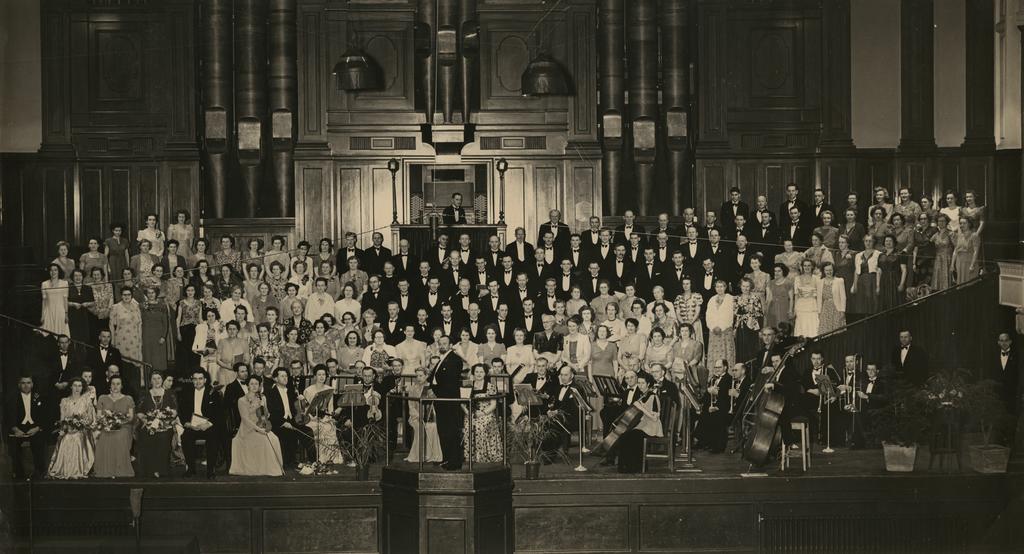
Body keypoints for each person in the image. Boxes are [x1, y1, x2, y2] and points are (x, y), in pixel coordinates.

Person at [230, 374, 285, 476]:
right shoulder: (241, 400)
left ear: (259, 385)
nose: (254, 386)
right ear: (247, 385)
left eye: (256, 384)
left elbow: (267, 414)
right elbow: (245, 419)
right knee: (264, 440)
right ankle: (264, 469)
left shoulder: (262, 397)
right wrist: (259, 430)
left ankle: (272, 468)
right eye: (252, 384)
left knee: (274, 438)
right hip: (247, 428)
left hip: (260, 424)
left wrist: (264, 407)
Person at [48, 378, 96, 479]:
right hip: (68, 430)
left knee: (77, 438)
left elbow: (91, 419)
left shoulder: (86, 401)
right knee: (66, 439)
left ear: (82, 387)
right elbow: (62, 419)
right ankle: (64, 469)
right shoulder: (64, 401)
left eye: (79, 386)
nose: (77, 388)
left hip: (82, 431)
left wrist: (80, 424)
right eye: (75, 385)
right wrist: (66, 428)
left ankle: (78, 470)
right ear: (71, 386)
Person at [430, 335, 466, 470]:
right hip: (441, 401)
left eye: (445, 343)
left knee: (451, 431)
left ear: (451, 345)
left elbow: (449, 383)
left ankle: (454, 461)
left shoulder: (454, 360)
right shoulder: (442, 359)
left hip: (448, 401)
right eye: (440, 343)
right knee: (443, 431)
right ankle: (446, 459)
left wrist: (435, 391)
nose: (442, 346)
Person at [615, 373, 663, 473]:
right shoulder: (642, 396)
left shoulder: (653, 396)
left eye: (642, 383)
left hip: (652, 427)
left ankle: (636, 467)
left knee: (634, 436)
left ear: (648, 384)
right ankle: (625, 467)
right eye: (639, 383)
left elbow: (655, 418)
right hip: (643, 425)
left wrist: (641, 408)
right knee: (624, 435)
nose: (640, 385)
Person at [179, 369, 222, 478]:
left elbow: (219, 413)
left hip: (207, 425)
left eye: (200, 379)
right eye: (195, 379)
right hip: (192, 426)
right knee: (185, 437)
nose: (198, 381)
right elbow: (182, 411)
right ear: (192, 380)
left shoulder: (213, 393)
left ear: (205, 380)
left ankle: (210, 470)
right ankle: (191, 469)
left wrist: (208, 424)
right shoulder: (186, 392)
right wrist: (187, 423)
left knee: (214, 437)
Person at [6, 376, 50, 480]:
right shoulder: (13, 398)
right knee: (14, 445)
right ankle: (19, 473)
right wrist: (15, 429)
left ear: (32, 384)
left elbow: (45, 415)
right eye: (23, 383)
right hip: (18, 428)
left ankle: (39, 471)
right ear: (19, 385)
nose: (26, 385)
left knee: (39, 442)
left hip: (34, 428)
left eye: (28, 383)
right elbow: (8, 416)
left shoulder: (39, 397)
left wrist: (37, 428)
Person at [135, 371, 177, 478]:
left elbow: (175, 411)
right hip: (148, 423)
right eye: (154, 379)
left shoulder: (170, 393)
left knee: (164, 437)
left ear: (162, 379)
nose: (156, 381)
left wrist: (166, 417)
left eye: (159, 378)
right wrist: (146, 421)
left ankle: (162, 469)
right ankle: (149, 469)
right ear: (150, 381)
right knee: (146, 434)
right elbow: (139, 411)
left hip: (165, 424)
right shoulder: (144, 394)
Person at [93, 375, 135, 478]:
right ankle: (105, 470)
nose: (115, 386)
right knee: (104, 435)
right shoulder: (102, 398)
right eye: (113, 384)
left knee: (120, 435)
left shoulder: (128, 399)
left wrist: (119, 420)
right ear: (110, 385)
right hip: (107, 426)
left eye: (118, 384)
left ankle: (120, 469)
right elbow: (98, 416)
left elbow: (130, 418)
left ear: (122, 386)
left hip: (123, 426)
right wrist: (107, 421)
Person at [463, 364, 503, 463]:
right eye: (476, 372)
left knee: (482, 426)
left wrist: (482, 413)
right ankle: (472, 457)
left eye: (481, 372)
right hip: (470, 414)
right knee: (468, 425)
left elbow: (493, 405)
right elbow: (462, 403)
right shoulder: (468, 386)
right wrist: (468, 413)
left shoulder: (491, 386)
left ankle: (485, 456)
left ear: (485, 373)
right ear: (473, 373)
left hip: (486, 414)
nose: (479, 374)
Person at [303, 365, 343, 464]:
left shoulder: (329, 389)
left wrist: (329, 417)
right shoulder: (308, 390)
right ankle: (319, 459)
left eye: (323, 374)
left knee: (329, 427)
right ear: (315, 376)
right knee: (318, 427)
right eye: (319, 374)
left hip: (325, 418)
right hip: (312, 419)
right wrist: (315, 418)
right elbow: (307, 409)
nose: (321, 377)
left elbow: (330, 408)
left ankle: (331, 458)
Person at [406, 367, 443, 463]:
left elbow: (435, 402)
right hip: (416, 416)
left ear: (426, 376)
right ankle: (419, 455)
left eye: (421, 376)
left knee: (432, 427)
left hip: (429, 415)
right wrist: (416, 415)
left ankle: (432, 455)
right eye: (417, 376)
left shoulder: (430, 387)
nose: (418, 378)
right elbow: (410, 404)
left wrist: (433, 396)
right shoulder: (412, 388)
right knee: (420, 427)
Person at [848, 235, 881, 323]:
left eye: (870, 241)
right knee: (861, 304)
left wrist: (878, 286)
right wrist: (854, 285)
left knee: (872, 303)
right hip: (861, 281)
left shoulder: (878, 254)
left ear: (874, 242)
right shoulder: (858, 255)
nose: (868, 243)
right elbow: (856, 271)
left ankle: (873, 322)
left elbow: (879, 271)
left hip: (872, 280)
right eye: (866, 241)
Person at [706, 280, 737, 368]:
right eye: (717, 287)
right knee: (714, 354)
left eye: (721, 286)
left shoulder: (731, 298)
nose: (719, 289)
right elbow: (708, 315)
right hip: (713, 332)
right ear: (715, 288)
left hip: (725, 331)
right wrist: (712, 327)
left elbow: (730, 315)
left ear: (725, 287)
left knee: (726, 353)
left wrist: (721, 327)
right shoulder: (712, 299)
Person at [733, 277, 764, 362]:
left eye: (747, 286)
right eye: (743, 286)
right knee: (740, 348)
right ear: (740, 286)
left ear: (750, 287)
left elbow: (760, 313)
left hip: (751, 327)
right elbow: (734, 313)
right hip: (739, 326)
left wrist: (749, 316)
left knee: (751, 348)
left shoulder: (755, 298)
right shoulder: (736, 298)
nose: (745, 288)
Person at [141, 287, 171, 373]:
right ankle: (148, 382)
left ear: (156, 293)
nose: (151, 295)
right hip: (146, 335)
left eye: (152, 292)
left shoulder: (162, 305)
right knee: (148, 357)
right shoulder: (142, 306)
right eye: (149, 293)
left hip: (159, 336)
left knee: (159, 359)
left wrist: (163, 336)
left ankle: (159, 379)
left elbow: (165, 323)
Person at [109, 286, 143, 362]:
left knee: (134, 362)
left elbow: (139, 324)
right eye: (124, 295)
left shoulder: (136, 307)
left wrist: (140, 339)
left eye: (128, 295)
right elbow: (111, 325)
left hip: (134, 339)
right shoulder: (115, 307)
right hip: (121, 339)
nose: (126, 297)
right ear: (121, 296)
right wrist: (112, 340)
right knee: (123, 361)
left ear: (131, 296)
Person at [792, 259, 823, 338]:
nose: (807, 267)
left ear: (812, 267)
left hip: (813, 306)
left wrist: (820, 309)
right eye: (805, 266)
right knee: (801, 328)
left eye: (809, 265)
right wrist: (795, 309)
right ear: (802, 267)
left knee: (813, 327)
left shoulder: (817, 278)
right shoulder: (797, 278)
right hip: (801, 306)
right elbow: (796, 295)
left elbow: (819, 295)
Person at [877, 235, 906, 311]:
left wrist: (902, 284)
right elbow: (879, 271)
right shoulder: (881, 255)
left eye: (890, 241)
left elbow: (904, 270)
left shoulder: (900, 253)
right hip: (884, 281)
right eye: (886, 241)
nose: (888, 242)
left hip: (895, 280)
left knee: (895, 303)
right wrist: (877, 285)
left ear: (894, 242)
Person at [40, 263, 70, 337]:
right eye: (51, 270)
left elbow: (65, 300)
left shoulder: (65, 283)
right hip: (48, 312)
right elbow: (44, 301)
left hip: (60, 312)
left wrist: (66, 314)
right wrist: (42, 315)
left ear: (58, 271)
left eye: (55, 270)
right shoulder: (44, 284)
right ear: (49, 272)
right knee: (48, 335)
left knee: (61, 335)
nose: (53, 272)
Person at [67, 269, 95, 343]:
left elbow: (94, 302)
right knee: (73, 337)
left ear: (83, 277)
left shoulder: (88, 288)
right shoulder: (68, 288)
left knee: (85, 337)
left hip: (85, 316)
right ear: (72, 277)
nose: (78, 277)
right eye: (75, 276)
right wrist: (73, 304)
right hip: (72, 315)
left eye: (80, 275)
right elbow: (64, 302)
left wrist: (87, 304)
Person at [818, 262, 847, 334]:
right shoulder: (820, 282)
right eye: (827, 270)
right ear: (823, 271)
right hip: (825, 309)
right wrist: (819, 312)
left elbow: (843, 297)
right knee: (825, 331)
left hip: (836, 309)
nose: (829, 272)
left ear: (833, 270)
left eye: (830, 270)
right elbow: (819, 299)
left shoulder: (839, 280)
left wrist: (842, 311)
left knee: (837, 330)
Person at [951, 217, 982, 284]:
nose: (962, 225)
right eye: (960, 223)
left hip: (969, 261)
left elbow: (976, 251)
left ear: (969, 224)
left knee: (969, 283)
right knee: (960, 283)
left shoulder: (974, 235)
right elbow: (955, 250)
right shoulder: (959, 236)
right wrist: (952, 264)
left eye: (964, 223)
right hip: (959, 262)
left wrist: (972, 265)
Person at [931, 213, 954, 291]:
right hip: (938, 259)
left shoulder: (951, 233)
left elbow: (956, 248)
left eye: (943, 221)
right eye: (939, 221)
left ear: (946, 222)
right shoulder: (935, 235)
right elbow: (928, 244)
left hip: (948, 259)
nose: (941, 223)